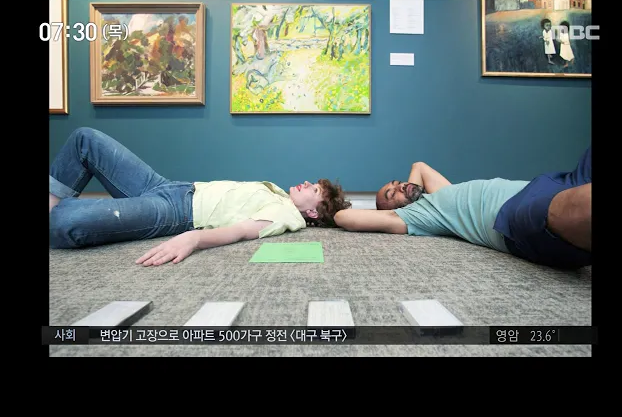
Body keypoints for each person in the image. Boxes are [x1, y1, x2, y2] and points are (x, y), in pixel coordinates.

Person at [49, 127, 351, 266]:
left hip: (174, 212)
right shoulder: (277, 192)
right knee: (85, 139)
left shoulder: (287, 215)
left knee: (67, 221)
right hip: (167, 186)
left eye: (314, 190)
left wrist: (193, 238)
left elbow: (241, 231)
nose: (307, 183)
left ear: (313, 212)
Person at [334, 147, 592, 269]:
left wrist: (409, 190)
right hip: (518, 215)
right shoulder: (421, 215)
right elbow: (342, 217)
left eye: (397, 182)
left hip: (549, 185)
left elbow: (419, 165)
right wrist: (390, 212)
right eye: (392, 194)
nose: (400, 185)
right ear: (391, 210)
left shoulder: (441, 193)